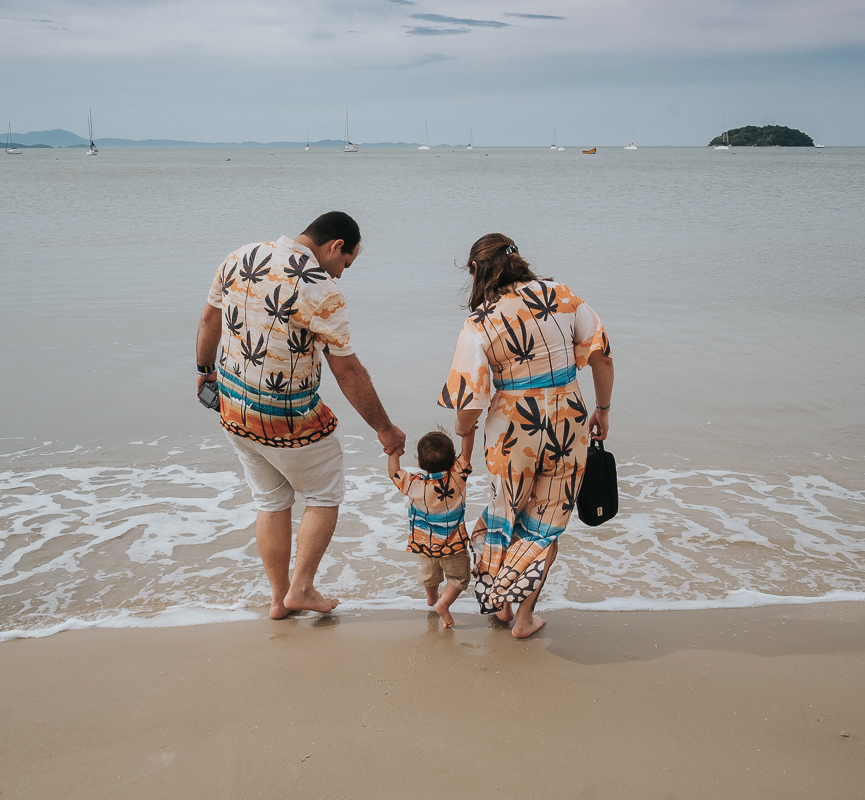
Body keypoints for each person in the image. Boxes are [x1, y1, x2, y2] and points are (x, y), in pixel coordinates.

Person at [195, 211, 406, 619]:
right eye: (346, 264)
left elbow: (209, 319)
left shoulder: (241, 256)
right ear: (335, 247)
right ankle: (302, 588)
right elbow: (347, 370)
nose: (342, 274)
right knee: (325, 495)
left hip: (234, 410)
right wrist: (385, 429)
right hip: (288, 419)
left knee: (271, 501)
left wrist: (205, 373)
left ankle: (279, 599)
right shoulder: (321, 290)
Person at [437, 233, 614, 638]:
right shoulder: (563, 297)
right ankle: (524, 617)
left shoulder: (480, 322)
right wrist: (603, 409)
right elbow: (601, 356)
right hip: (568, 424)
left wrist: (465, 434)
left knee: (507, 509)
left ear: (477, 271)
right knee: (545, 522)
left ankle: (500, 601)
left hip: (512, 430)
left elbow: (468, 398)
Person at [388, 428, 475, 628]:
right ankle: (443, 604)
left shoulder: (414, 484)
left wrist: (394, 451)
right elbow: (467, 452)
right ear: (453, 458)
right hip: (453, 544)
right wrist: (468, 430)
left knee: (429, 574)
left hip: (424, 544)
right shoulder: (457, 476)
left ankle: (432, 598)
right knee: (459, 577)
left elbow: (394, 473)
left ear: (419, 462)